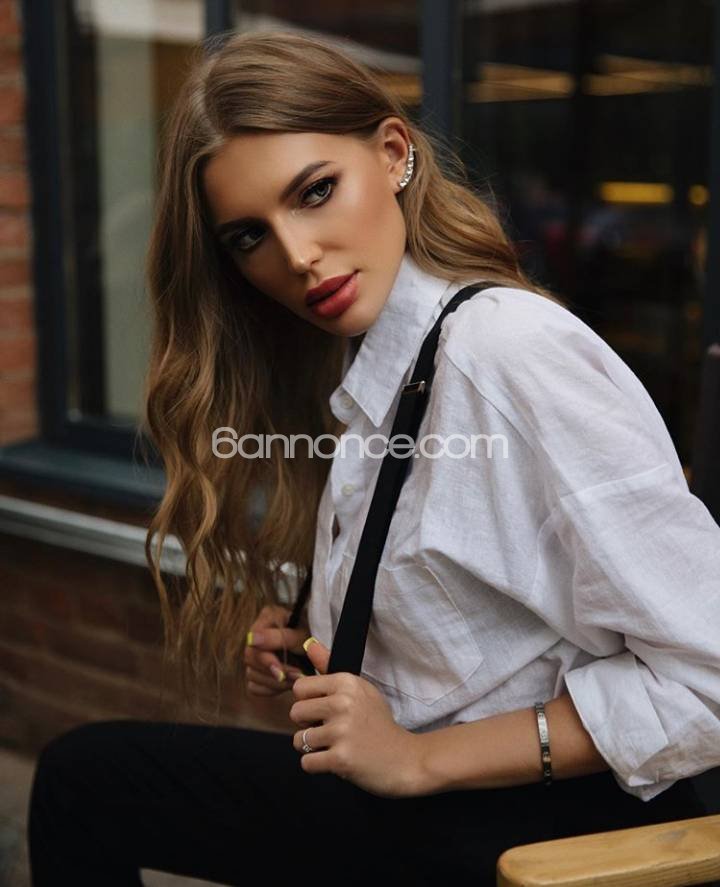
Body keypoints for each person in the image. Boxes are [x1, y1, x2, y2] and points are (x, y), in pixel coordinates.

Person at [27, 29, 720, 887]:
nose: (296, 255)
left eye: (315, 191)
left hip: (540, 835)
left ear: (393, 153)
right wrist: (318, 641)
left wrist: (417, 759)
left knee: (84, 783)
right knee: (92, 781)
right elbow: (471, 603)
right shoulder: (379, 365)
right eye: (248, 237)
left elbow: (709, 672)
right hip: (431, 807)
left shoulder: (507, 353)